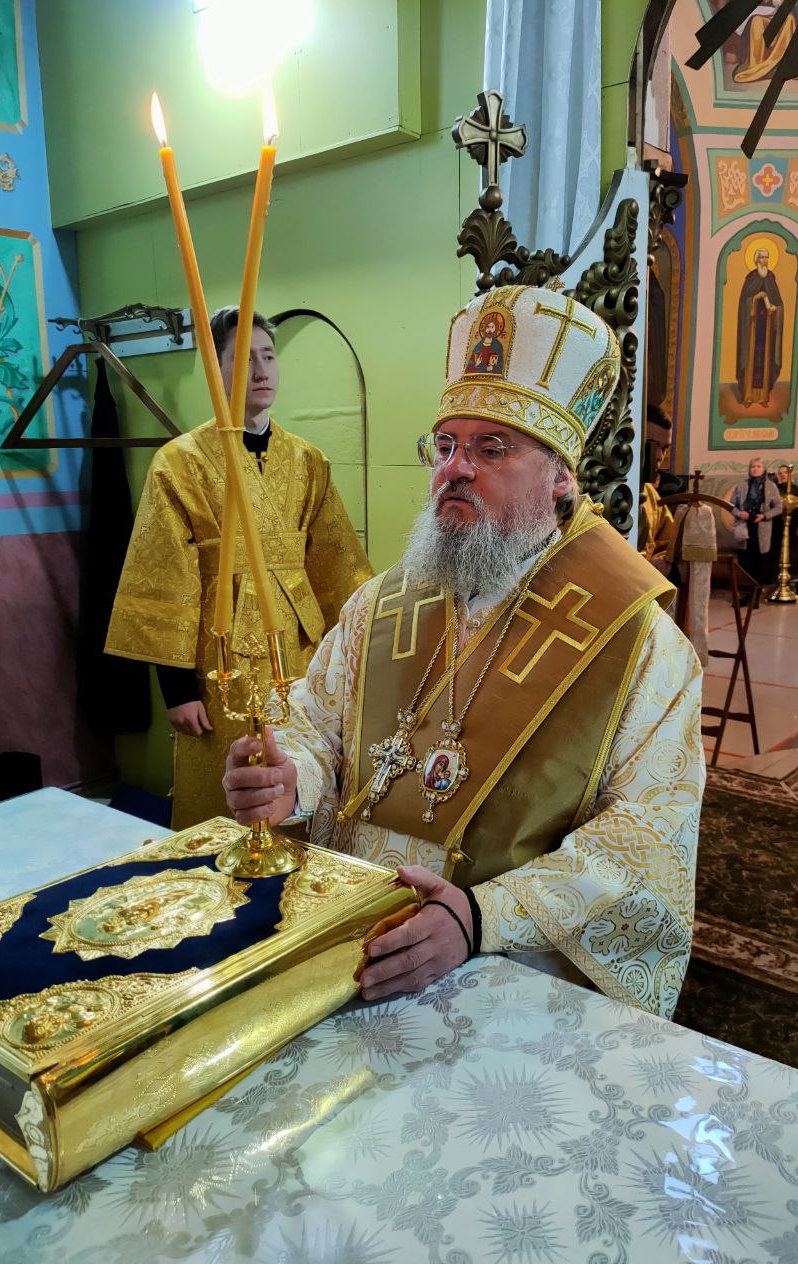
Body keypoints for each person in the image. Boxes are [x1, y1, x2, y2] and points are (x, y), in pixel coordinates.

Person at [224, 285, 704, 1020]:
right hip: (346, 936)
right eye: (445, 445)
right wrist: (293, 780)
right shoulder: (379, 604)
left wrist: (480, 918)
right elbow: (316, 727)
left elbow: (644, 840)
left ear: (561, 476)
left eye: (491, 448)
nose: (454, 468)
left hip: (506, 973)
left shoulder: (641, 647)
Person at [106, 307, 372, 830]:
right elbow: (164, 577)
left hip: (300, 651)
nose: (261, 370)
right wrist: (177, 690)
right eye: (245, 359)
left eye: (269, 356)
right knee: (224, 789)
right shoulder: (179, 462)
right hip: (219, 658)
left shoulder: (308, 460)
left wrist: (359, 653)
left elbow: (338, 564)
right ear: (215, 367)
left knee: (302, 768)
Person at [736, 247, 784, 407]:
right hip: (752, 329)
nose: (764, 260)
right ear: (756, 259)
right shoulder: (751, 278)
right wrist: (757, 297)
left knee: (765, 361)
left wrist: (776, 308)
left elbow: (779, 304)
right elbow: (744, 303)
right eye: (762, 257)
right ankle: (748, 396)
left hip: (767, 330)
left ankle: (763, 397)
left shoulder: (771, 278)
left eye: (767, 257)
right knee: (750, 360)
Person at [731, 456, 782, 589]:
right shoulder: (741, 486)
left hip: (762, 525)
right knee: (744, 560)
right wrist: (739, 514)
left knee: (760, 560)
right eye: (753, 466)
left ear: (764, 469)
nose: (755, 469)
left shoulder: (770, 486)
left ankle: (757, 592)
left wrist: (765, 516)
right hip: (744, 524)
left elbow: (779, 507)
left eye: (758, 466)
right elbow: (731, 506)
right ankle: (744, 592)